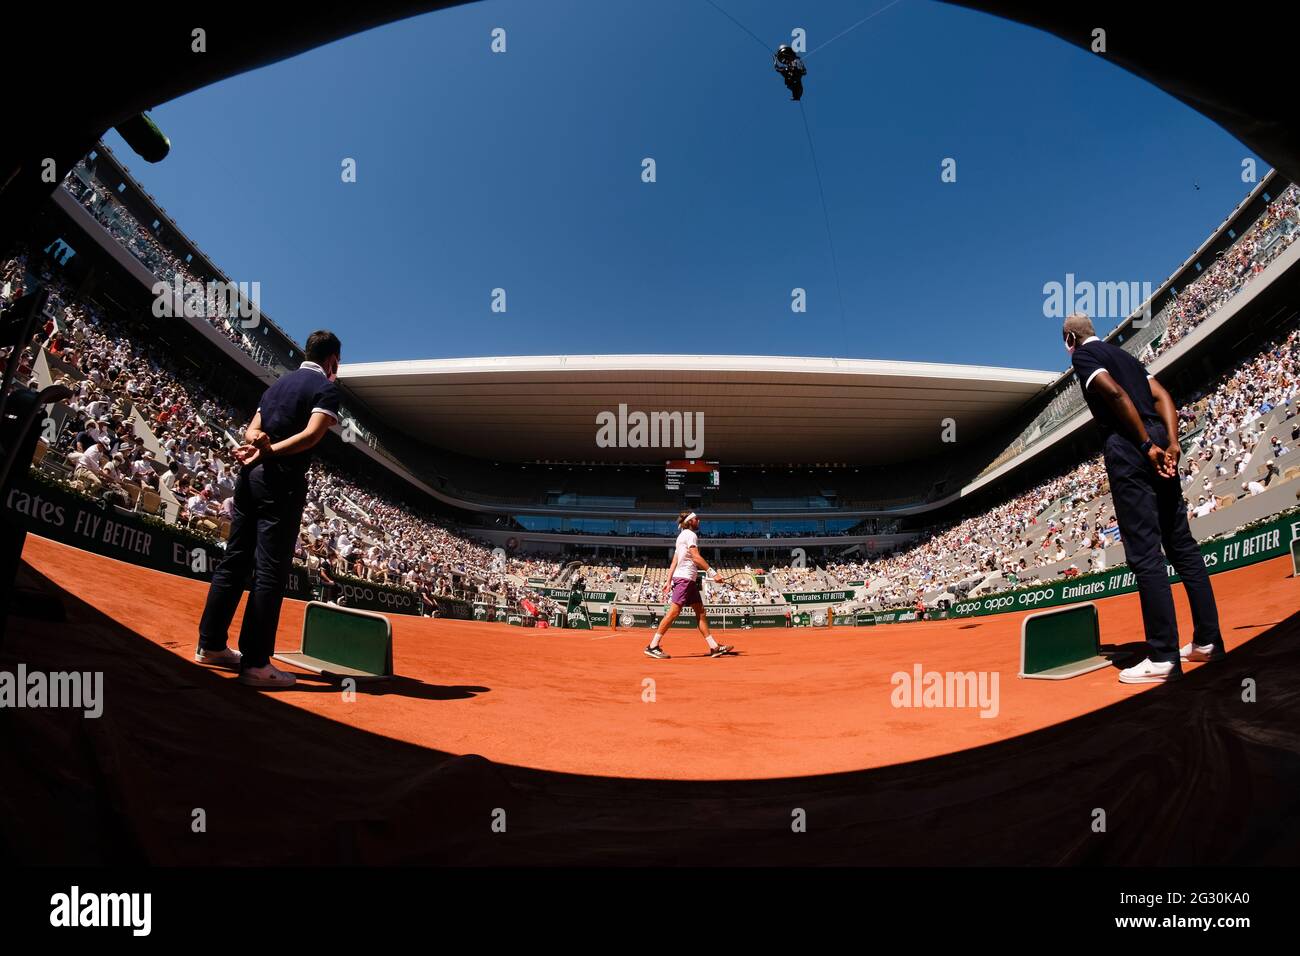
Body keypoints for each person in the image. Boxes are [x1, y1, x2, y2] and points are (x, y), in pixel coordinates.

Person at [1063, 313, 1223, 683]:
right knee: (1181, 545)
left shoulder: (1082, 357)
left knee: (1144, 552)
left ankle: (1164, 655)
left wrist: (1145, 443)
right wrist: (1173, 442)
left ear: (1071, 338)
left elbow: (1113, 393)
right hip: (1158, 435)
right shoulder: (1128, 357)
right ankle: (1208, 642)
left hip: (1128, 443)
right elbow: (1163, 395)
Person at [195, 330, 343, 688]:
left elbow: (251, 431)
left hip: (250, 478)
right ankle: (257, 664)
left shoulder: (276, 386)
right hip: (282, 480)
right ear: (332, 361)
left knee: (235, 559)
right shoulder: (326, 388)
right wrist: (271, 451)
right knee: (270, 571)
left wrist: (259, 445)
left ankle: (211, 645)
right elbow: (310, 436)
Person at [644, 511, 734, 659]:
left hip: (688, 580)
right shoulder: (690, 535)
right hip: (685, 579)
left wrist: (668, 581)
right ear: (690, 521)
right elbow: (696, 557)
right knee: (673, 612)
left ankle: (714, 647)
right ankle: (653, 646)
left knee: (700, 612)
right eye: (696, 519)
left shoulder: (681, 537)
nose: (699, 520)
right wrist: (713, 573)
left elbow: (674, 561)